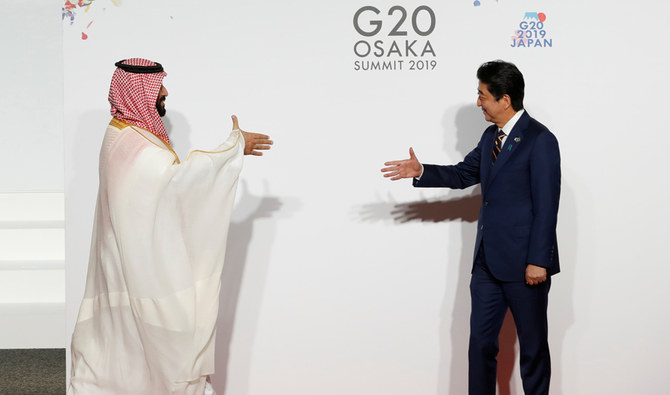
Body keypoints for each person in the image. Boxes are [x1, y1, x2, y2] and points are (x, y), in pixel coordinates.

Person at [67, 58, 272, 395]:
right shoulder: (130, 145)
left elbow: (168, 190)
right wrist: (232, 149)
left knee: (130, 351)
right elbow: (177, 185)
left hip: (133, 263)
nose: (165, 92)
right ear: (137, 91)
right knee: (146, 352)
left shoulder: (129, 136)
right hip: (138, 269)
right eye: (158, 87)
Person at [381, 60, 560, 395]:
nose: (478, 103)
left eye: (483, 96)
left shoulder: (541, 140)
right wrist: (422, 171)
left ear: (504, 100)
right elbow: (464, 174)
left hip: (526, 266)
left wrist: (539, 260)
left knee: (533, 352)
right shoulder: (491, 135)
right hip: (487, 266)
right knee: (480, 346)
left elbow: (547, 206)